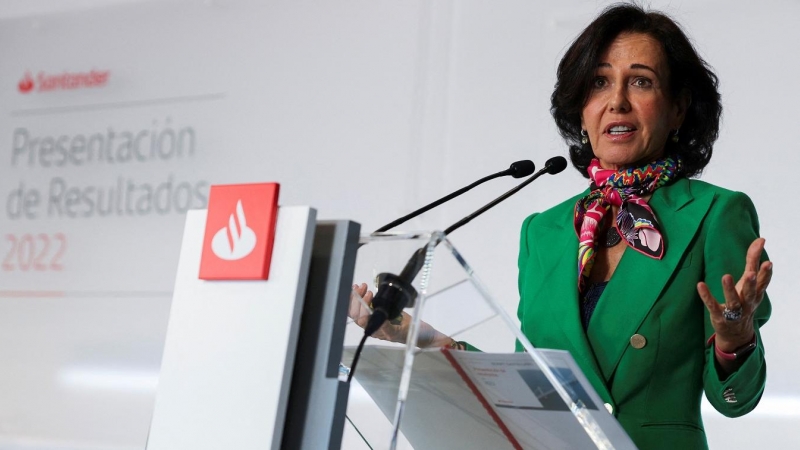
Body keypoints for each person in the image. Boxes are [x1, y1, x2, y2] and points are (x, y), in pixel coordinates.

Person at [351, 4, 773, 449]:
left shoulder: (715, 213)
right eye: (599, 82)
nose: (617, 101)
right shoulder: (543, 232)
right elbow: (532, 387)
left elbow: (734, 401)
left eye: (641, 81)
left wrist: (736, 339)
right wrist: (418, 336)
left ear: (679, 107)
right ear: (581, 105)